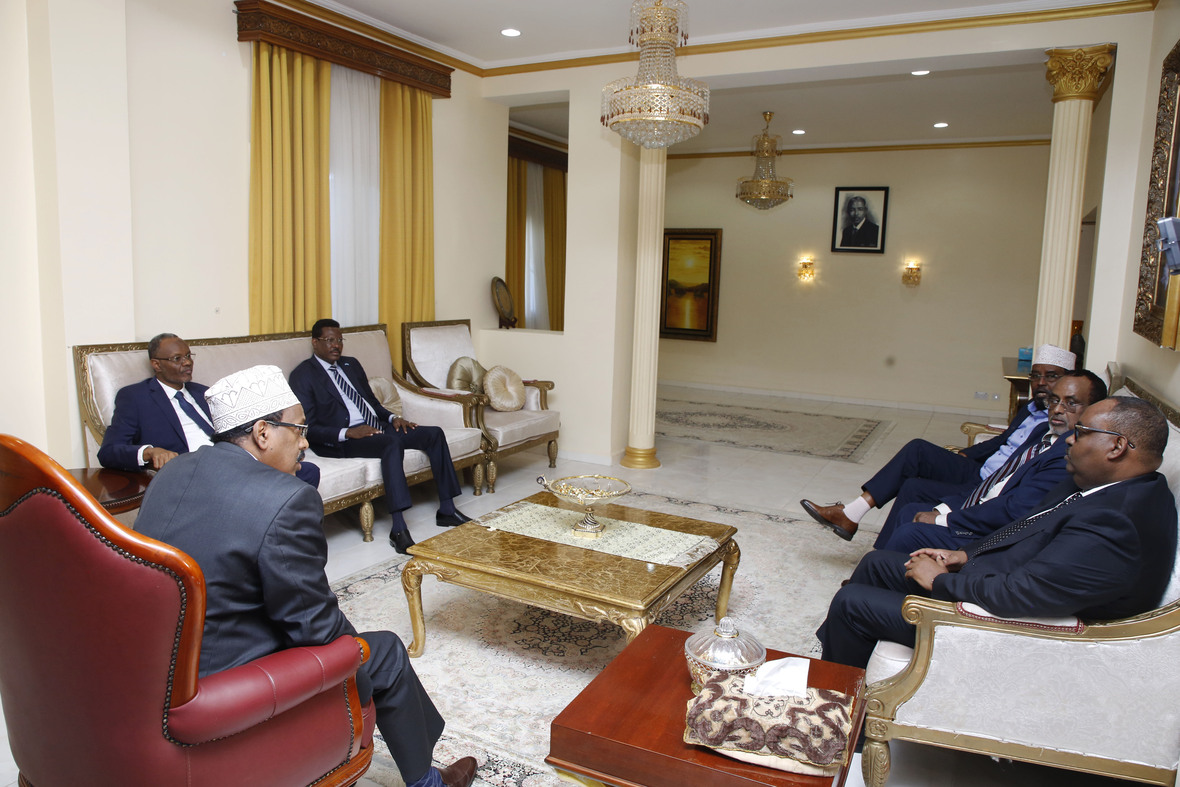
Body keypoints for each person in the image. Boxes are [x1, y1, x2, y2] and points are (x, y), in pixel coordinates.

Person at [134, 365, 476, 787]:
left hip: (156, 666)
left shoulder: (171, 473)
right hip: (223, 685)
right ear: (263, 433)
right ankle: (429, 783)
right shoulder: (287, 499)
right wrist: (355, 661)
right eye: (298, 430)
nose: (305, 442)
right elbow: (315, 629)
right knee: (383, 651)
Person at [817, 396, 1178, 669]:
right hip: (997, 581)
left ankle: (842, 717)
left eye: (1081, 432)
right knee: (877, 563)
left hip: (1010, 626)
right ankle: (837, 663)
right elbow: (1025, 526)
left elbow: (1027, 593)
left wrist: (940, 582)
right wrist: (964, 555)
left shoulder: (1116, 520)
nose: (1069, 439)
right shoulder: (1117, 488)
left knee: (852, 603)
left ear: (1116, 446)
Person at [801, 343, 1076, 541]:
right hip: (979, 468)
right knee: (918, 450)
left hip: (992, 483)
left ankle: (867, 539)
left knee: (913, 483)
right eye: (1036, 375)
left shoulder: (1058, 423)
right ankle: (855, 519)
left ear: (1068, 380)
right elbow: (1003, 441)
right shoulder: (1029, 408)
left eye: (1051, 376)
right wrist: (965, 454)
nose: (1041, 382)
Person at [289, 319, 470, 554]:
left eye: (340, 340)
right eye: (330, 340)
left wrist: (393, 418)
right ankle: (399, 528)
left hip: (376, 427)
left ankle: (447, 509)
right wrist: (349, 432)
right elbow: (309, 427)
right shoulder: (303, 375)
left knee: (434, 434)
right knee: (391, 443)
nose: (336, 345)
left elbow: (371, 403)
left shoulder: (350, 364)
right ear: (315, 342)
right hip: (343, 439)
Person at [876, 370, 1106, 552]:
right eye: (1054, 401)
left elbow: (1015, 510)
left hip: (996, 535)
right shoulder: (1041, 433)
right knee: (910, 510)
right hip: (983, 500)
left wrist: (945, 519)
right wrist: (946, 509)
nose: (1057, 410)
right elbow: (1000, 479)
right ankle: (879, 566)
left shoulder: (1069, 453)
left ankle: (880, 576)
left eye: (1070, 403)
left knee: (910, 530)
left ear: (1093, 410)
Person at [97, 333, 321, 486]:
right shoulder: (135, 397)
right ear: (156, 364)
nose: (187, 362)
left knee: (308, 471)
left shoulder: (204, 392)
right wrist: (149, 452)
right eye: (177, 358)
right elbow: (108, 452)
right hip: (196, 473)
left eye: (188, 356)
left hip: (235, 462)